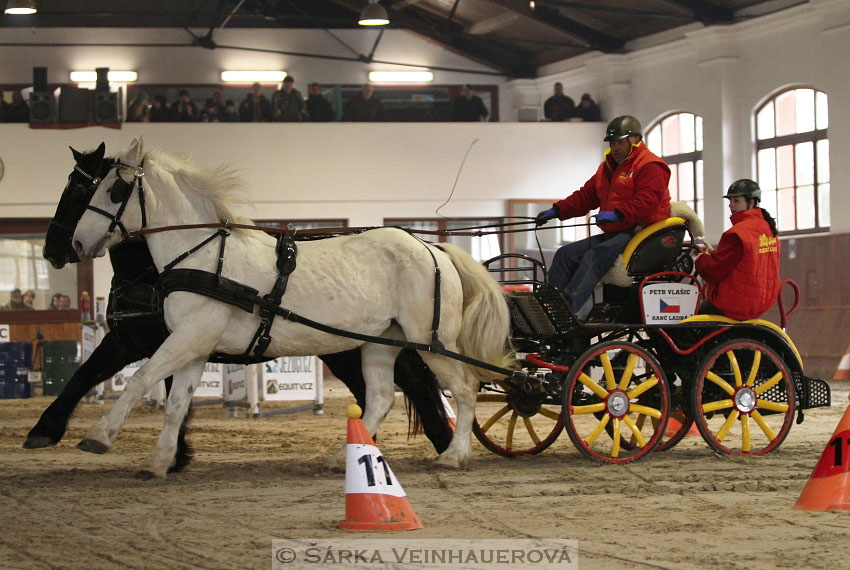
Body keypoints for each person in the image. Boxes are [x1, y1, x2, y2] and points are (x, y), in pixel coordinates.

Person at [536, 115, 671, 314]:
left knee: (594, 257)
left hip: (640, 232)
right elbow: (585, 196)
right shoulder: (607, 168)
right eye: (612, 143)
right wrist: (557, 210)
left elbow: (647, 202)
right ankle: (548, 306)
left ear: (634, 140)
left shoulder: (650, 166)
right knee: (565, 254)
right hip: (616, 231)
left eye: (619, 143)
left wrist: (618, 214)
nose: (614, 148)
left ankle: (566, 311)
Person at [695, 179, 780, 320]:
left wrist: (701, 259)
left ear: (751, 202)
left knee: (691, 317)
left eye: (736, 201)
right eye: (730, 201)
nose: (731, 205)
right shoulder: (768, 228)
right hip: (763, 301)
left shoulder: (737, 233)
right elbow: (741, 262)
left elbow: (714, 270)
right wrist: (714, 255)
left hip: (736, 303)